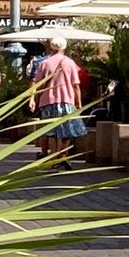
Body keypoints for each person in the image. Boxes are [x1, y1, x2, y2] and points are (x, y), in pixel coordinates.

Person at [27, 34, 87, 162]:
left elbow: (36, 84)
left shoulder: (44, 63)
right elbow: (76, 85)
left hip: (47, 101)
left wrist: (32, 99)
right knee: (68, 130)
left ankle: (53, 157)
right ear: (64, 47)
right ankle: (62, 154)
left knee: (51, 132)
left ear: (51, 47)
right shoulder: (70, 63)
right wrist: (79, 103)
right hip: (66, 100)